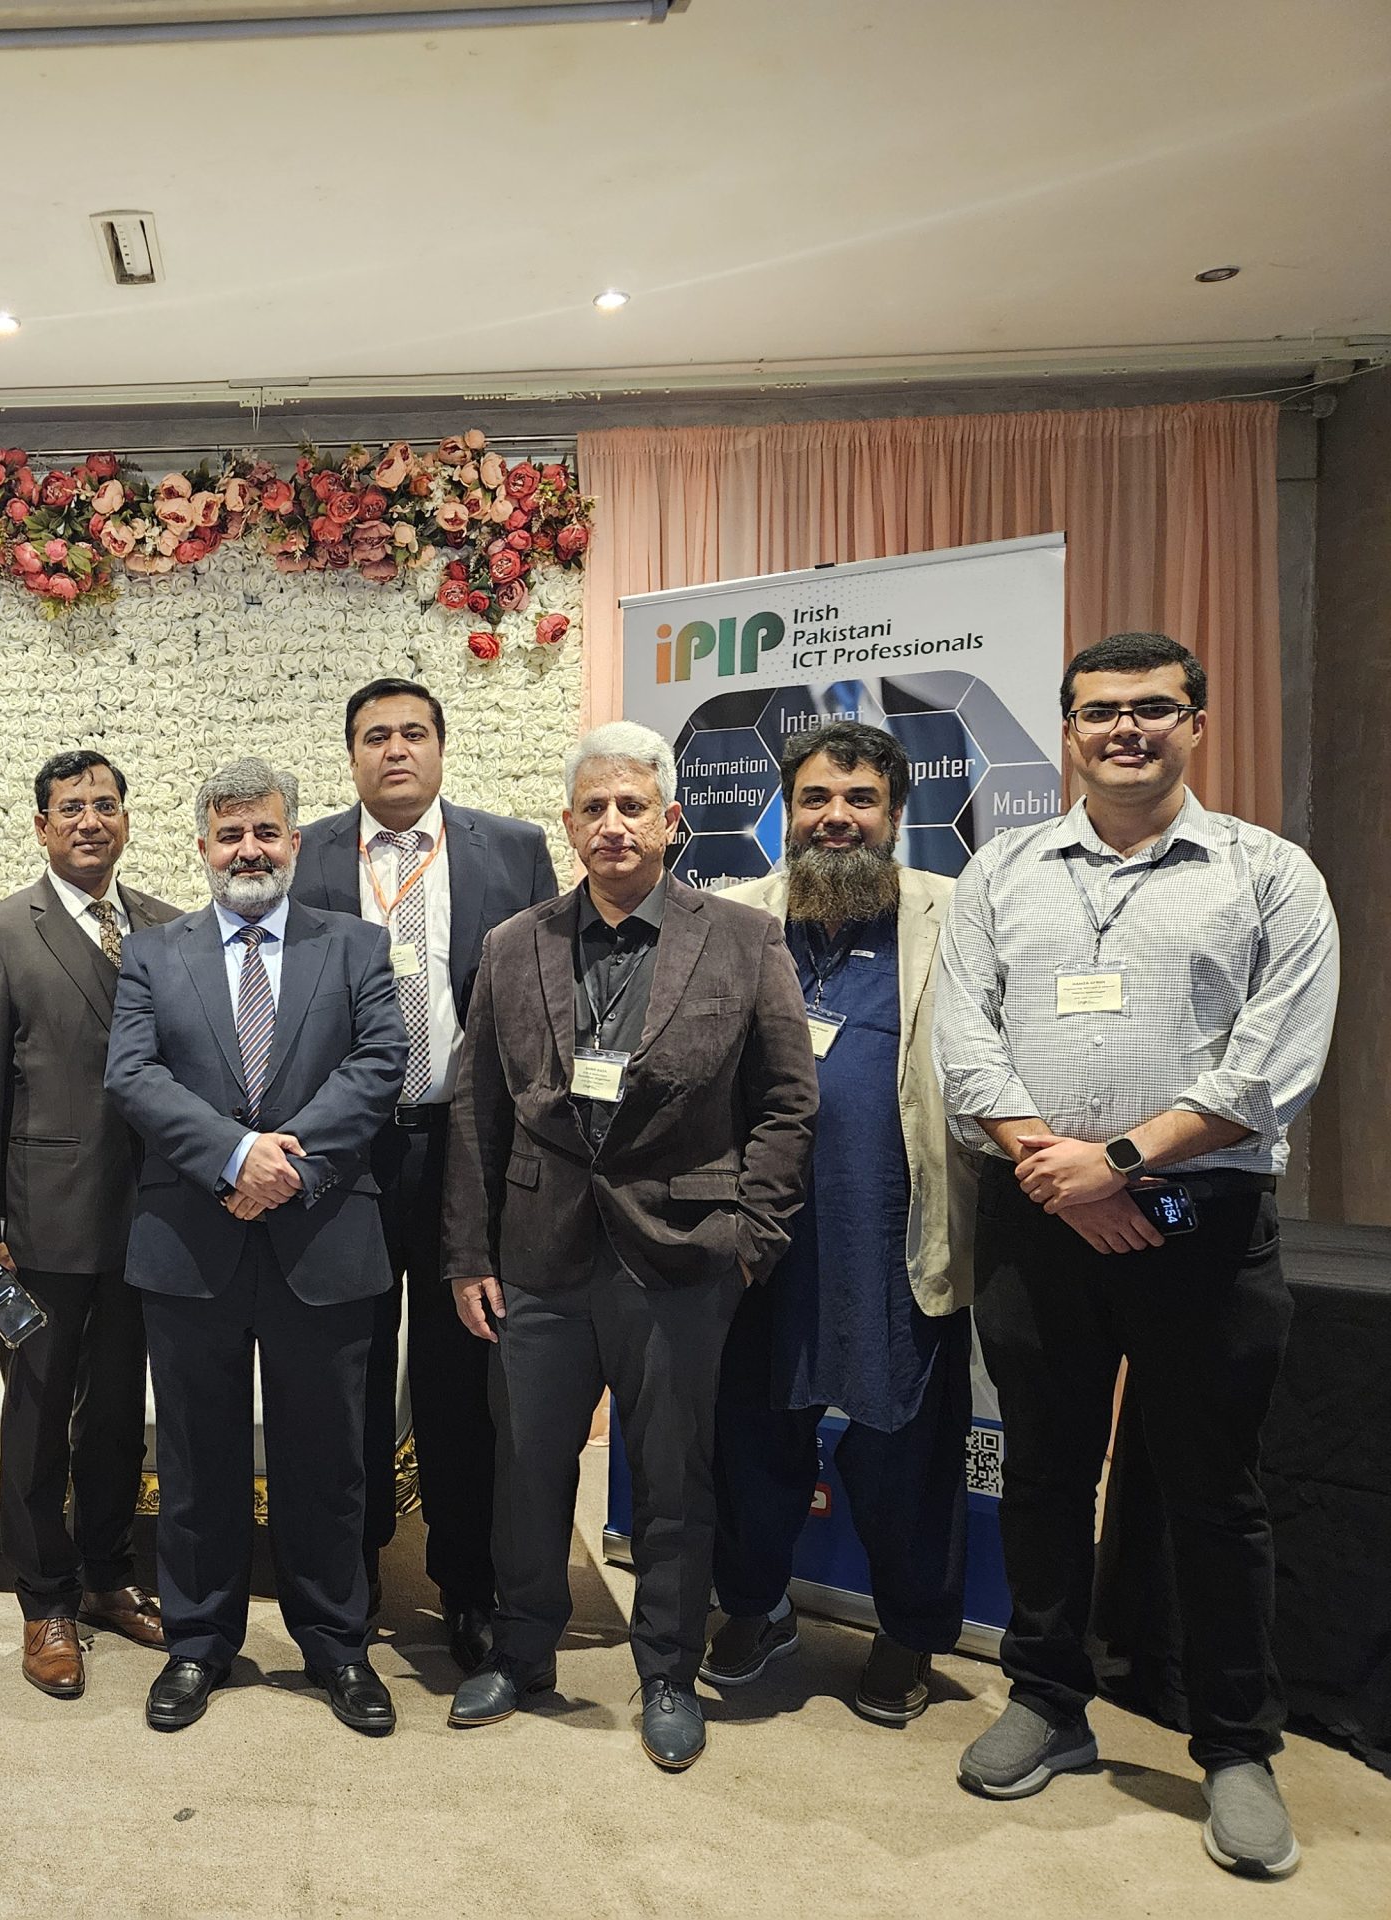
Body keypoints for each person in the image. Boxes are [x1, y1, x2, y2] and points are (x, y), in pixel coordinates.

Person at [935, 633, 1339, 1879]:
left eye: (1153, 708)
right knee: (1044, 1472)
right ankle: (1046, 1699)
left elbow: (1270, 1064)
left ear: (1195, 724)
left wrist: (1115, 1165)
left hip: (1199, 1221)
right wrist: (1063, 1180)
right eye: (1100, 710)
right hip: (1035, 1215)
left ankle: (1235, 1745)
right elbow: (964, 1044)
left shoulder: (1268, 875)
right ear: (1067, 731)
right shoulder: (999, 870)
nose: (1126, 729)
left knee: (1212, 1492)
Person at [444, 720, 815, 1771]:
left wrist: (752, 1235)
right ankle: (522, 1651)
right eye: (594, 809)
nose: (613, 825)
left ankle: (666, 1672)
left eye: (632, 807)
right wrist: (469, 1255)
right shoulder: (512, 945)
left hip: (684, 1254)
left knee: (672, 1477)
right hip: (537, 1257)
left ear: (671, 819)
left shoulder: (743, 939)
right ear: (568, 826)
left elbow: (787, 1102)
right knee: (526, 1470)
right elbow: (476, 1110)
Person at [104, 756, 408, 1737]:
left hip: (325, 1237)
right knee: (197, 1461)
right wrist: (235, 1156)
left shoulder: (356, 946)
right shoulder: (152, 954)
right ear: (201, 846)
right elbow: (133, 1075)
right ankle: (197, 1644)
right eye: (229, 834)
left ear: (295, 843)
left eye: (265, 832)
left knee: (328, 1461)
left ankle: (337, 1646)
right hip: (191, 1243)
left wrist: (287, 1163)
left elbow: (380, 1063)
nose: (248, 850)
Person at [702, 721, 976, 1724]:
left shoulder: (954, 914)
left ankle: (908, 1628)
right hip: (760, 1231)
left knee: (906, 1448)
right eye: (816, 798)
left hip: (892, 1231)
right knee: (750, 1434)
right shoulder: (733, 916)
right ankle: (753, 1603)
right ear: (787, 811)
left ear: (895, 814)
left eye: (860, 800)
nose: (836, 818)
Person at [290, 676, 557, 1669]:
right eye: (374, 736)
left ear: (441, 747)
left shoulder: (513, 850)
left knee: (461, 1376)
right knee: (346, 1371)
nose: (394, 750)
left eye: (412, 733)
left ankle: (466, 1584)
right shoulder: (308, 853)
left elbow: (545, 999)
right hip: (346, 1151)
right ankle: (351, 1572)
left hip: (463, 1145)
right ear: (351, 755)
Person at [0, 749, 179, 1698]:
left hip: (149, 1223)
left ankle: (109, 1576)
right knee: (37, 1422)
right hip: (36, 1231)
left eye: (105, 805)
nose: (90, 821)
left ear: (127, 821)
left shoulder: (166, 926)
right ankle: (45, 1603)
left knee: (117, 1416)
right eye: (70, 807)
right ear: (41, 825)